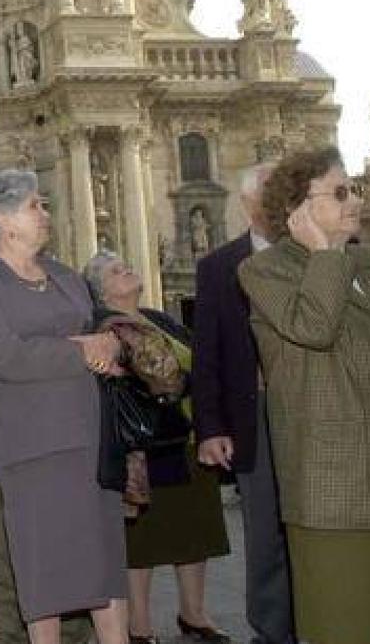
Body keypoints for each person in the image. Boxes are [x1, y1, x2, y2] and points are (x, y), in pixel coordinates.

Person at [238, 147, 370, 644]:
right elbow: (313, 327)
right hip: (340, 486)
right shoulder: (266, 271)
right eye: (339, 191)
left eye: (354, 186)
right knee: (352, 625)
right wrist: (325, 254)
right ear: (298, 207)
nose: (355, 198)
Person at [0, 169, 127, 644]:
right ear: (5, 221)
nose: (46, 213)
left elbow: (100, 339)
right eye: (35, 206)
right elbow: (2, 355)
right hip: (34, 451)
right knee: (43, 576)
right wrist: (81, 349)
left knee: (106, 569)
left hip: (91, 442)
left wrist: (108, 348)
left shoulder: (68, 277)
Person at [83, 252, 231, 644]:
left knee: (194, 528)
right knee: (145, 539)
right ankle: (140, 626)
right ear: (102, 289)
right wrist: (198, 381)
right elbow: (160, 375)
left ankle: (194, 613)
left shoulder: (159, 318)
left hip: (186, 436)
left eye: (126, 265)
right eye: (117, 270)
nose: (128, 269)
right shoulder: (108, 325)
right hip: (146, 442)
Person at [0, 281, 93, 644]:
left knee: (71, 547)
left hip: (67, 446)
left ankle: (72, 632)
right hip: (5, 449)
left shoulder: (64, 290)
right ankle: (9, 633)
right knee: (12, 555)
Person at [192, 163, 297, 644]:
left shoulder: (319, 256)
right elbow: (206, 353)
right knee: (266, 532)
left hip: (317, 412)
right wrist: (211, 427)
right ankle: (272, 632)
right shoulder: (218, 266)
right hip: (254, 414)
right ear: (250, 205)